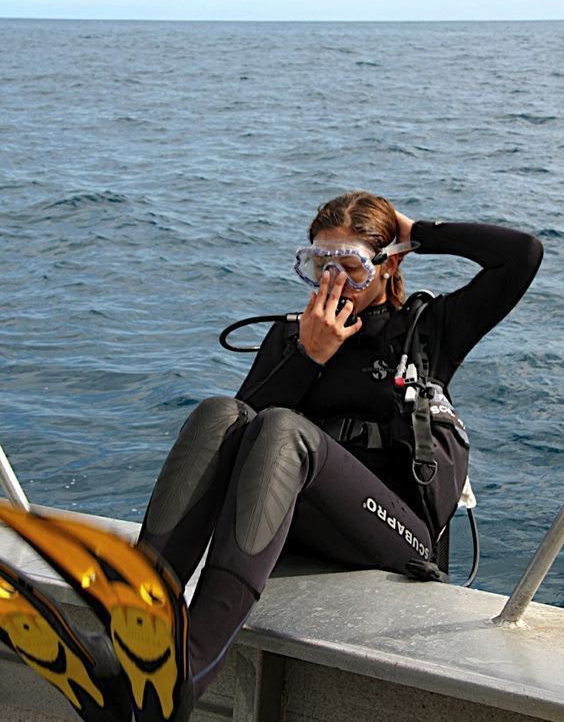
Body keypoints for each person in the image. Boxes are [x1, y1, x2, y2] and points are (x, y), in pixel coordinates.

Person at [0, 192, 544, 722]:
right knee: (220, 411)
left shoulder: (428, 330)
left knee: (286, 429)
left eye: (351, 267)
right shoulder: (293, 335)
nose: (335, 282)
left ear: (385, 265)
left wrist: (420, 233)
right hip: (302, 523)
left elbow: (522, 256)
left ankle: (186, 674)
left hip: (397, 535)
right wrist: (307, 356)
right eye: (319, 264)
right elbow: (236, 435)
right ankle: (132, 637)